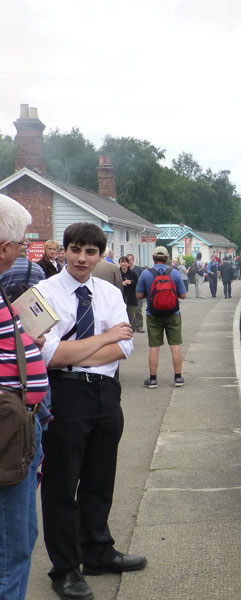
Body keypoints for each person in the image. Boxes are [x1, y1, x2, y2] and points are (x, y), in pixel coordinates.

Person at [35, 222, 145, 600]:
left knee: (100, 477)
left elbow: (125, 348)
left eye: (91, 252)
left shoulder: (110, 293)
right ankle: (65, 568)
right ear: (64, 250)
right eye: (76, 249)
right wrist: (105, 339)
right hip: (63, 396)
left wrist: (80, 351)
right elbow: (50, 355)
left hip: (106, 394)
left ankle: (98, 551)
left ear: (101, 255)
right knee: (62, 484)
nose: (83, 258)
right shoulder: (42, 294)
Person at [0, 195, 49, 600]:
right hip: (6, 433)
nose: (21, 253)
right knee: (9, 548)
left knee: (21, 537)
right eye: (19, 246)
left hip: (20, 430)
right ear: (4, 249)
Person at [136, 246, 187, 388]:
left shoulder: (146, 274)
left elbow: (139, 295)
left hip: (153, 314)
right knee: (175, 346)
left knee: (154, 347)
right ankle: (178, 378)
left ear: (153, 258)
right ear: (167, 259)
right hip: (173, 314)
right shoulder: (175, 273)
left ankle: (152, 380)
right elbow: (183, 295)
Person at [119, 256, 139, 328]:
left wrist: (130, 282)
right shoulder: (117, 273)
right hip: (120, 298)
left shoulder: (133, 274)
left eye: (125, 262)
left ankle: (129, 330)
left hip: (131, 298)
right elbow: (114, 284)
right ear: (120, 263)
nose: (123, 264)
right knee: (120, 317)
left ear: (128, 263)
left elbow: (137, 283)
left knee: (130, 316)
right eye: (122, 262)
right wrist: (121, 283)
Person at [127, 254, 144, 333]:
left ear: (133, 260)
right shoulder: (124, 270)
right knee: (130, 311)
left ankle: (139, 326)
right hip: (129, 293)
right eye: (127, 260)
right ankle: (132, 326)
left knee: (138, 310)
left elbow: (142, 280)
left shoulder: (138, 269)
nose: (129, 262)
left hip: (138, 292)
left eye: (130, 260)